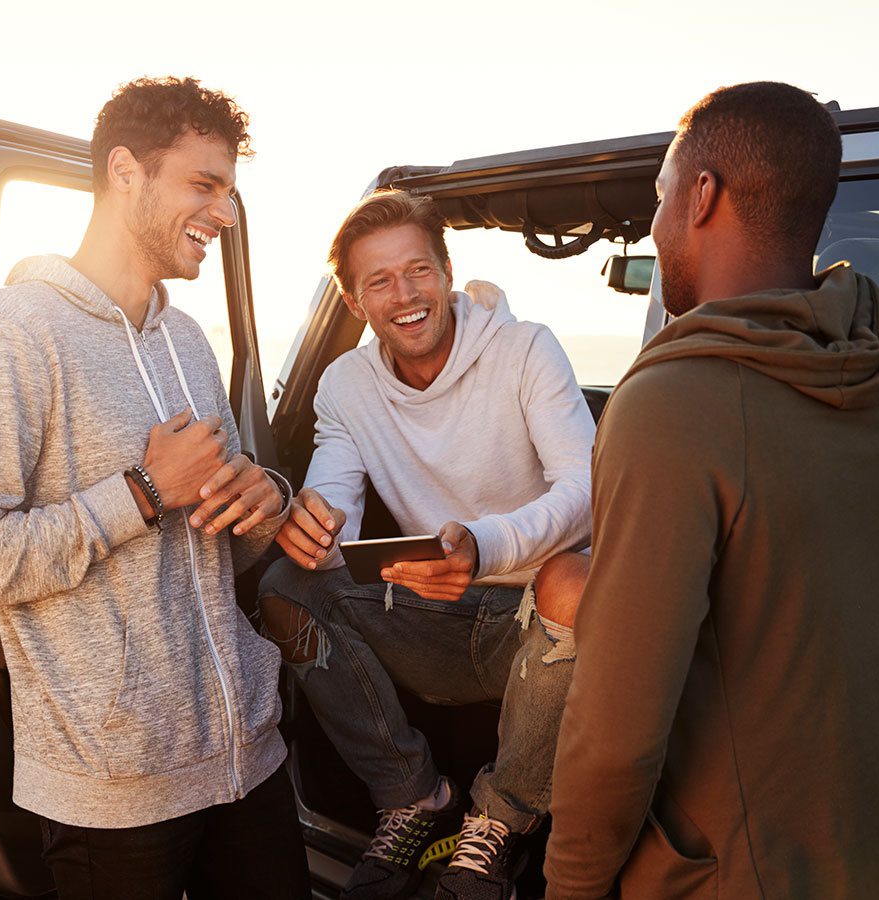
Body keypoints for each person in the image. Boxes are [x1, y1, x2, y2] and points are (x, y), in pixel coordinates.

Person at [0, 76, 309, 900]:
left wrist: (266, 498)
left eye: (230, 193)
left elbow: (224, 522)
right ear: (124, 171)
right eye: (205, 185)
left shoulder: (191, 341)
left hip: (247, 758)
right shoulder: (13, 333)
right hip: (113, 792)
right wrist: (139, 494)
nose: (225, 214)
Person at [543, 81, 879, 899]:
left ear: (701, 194)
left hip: (723, 873)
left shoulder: (673, 405)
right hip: (864, 857)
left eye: (657, 198)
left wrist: (570, 883)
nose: (654, 226)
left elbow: (616, 732)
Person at [259, 189, 597, 900]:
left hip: (542, 631)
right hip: (430, 619)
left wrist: (483, 545)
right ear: (355, 303)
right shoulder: (345, 384)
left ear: (446, 273)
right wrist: (312, 525)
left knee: (576, 579)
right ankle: (412, 797)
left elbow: (587, 490)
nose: (404, 294)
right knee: (286, 588)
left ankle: (496, 827)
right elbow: (336, 499)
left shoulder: (525, 348)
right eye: (379, 281)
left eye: (418, 271)